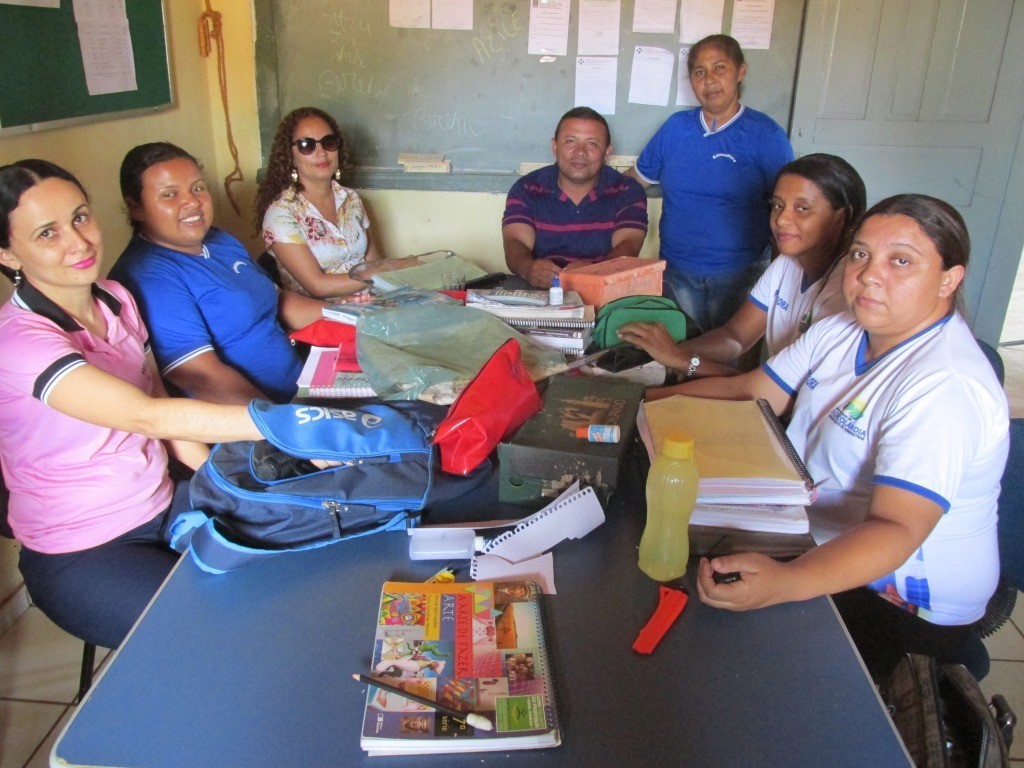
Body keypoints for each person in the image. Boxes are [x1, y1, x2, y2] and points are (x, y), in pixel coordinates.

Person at [647, 194, 1008, 681]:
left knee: (721, 661)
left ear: (949, 279)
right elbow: (751, 391)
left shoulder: (944, 384)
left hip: (897, 601)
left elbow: (897, 529)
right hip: (808, 531)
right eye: (861, 254)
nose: (870, 275)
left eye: (901, 261)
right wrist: (645, 404)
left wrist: (786, 581)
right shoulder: (841, 329)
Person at [0, 159, 267, 649]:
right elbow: (145, 414)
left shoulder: (116, 298)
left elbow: (160, 407)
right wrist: (290, 425)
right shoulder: (18, 341)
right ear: (8, 254)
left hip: (162, 501)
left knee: (292, 560)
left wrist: (217, 482)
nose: (79, 243)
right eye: (47, 233)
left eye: (80, 217)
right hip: (85, 550)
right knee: (224, 635)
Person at [110, 142, 323, 405]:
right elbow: (202, 378)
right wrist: (285, 422)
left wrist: (353, 315)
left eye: (198, 188)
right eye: (169, 194)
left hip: (304, 388)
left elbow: (278, 301)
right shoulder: (149, 277)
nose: (192, 201)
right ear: (136, 207)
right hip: (258, 417)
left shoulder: (219, 241)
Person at [618, 154, 865, 379]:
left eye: (802, 209)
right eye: (778, 205)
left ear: (842, 217)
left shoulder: (847, 293)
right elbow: (735, 337)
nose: (782, 219)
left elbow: (772, 390)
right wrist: (667, 349)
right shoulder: (786, 264)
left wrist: (682, 360)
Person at [628, 34, 794, 333]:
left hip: (741, 274)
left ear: (741, 71)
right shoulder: (676, 128)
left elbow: (787, 209)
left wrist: (782, 274)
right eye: (699, 72)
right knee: (680, 351)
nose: (709, 80)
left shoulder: (766, 135)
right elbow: (633, 182)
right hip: (677, 271)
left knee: (730, 354)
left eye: (719, 68)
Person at [503, 106, 648, 288]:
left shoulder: (628, 191)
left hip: (604, 292)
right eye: (570, 141)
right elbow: (515, 243)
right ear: (554, 146)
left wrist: (595, 272)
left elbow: (629, 245)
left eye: (592, 144)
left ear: (607, 152)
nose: (580, 152)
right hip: (541, 292)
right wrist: (528, 268)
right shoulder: (526, 188)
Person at [256, 106, 385, 299]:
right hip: (324, 311)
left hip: (371, 303)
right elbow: (318, 286)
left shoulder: (352, 199)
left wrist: (390, 278)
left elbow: (374, 263)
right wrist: (389, 271)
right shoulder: (281, 213)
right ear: (290, 156)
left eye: (328, 142)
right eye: (306, 145)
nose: (321, 152)